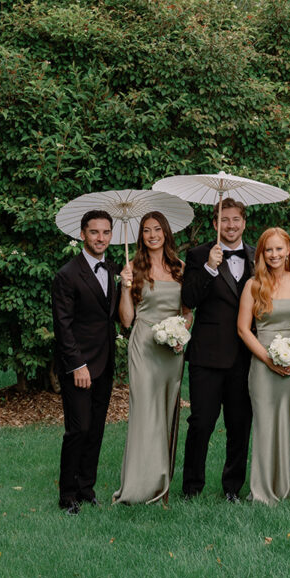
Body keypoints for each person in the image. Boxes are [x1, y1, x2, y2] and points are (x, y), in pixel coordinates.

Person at [113, 213, 190, 505]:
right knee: (145, 413)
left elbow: (186, 312)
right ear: (141, 236)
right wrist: (124, 286)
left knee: (167, 414)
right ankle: (136, 487)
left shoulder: (180, 268)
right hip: (144, 347)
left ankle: (161, 481)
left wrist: (181, 335)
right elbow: (126, 319)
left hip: (172, 351)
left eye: (157, 229)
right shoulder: (133, 269)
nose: (152, 235)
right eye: (146, 231)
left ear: (166, 233)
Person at [180, 199, 255, 500]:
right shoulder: (199, 255)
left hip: (245, 356)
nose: (231, 225)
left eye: (236, 219)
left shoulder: (255, 256)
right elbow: (189, 299)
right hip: (208, 355)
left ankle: (232, 488)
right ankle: (191, 487)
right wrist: (210, 268)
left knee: (240, 425)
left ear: (244, 223)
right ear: (215, 224)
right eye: (224, 220)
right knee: (201, 423)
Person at [237, 228, 290, 504]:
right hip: (262, 364)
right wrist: (269, 359)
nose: (274, 254)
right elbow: (244, 329)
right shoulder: (253, 285)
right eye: (269, 250)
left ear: (289, 250)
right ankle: (265, 490)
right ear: (261, 253)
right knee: (266, 424)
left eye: (279, 249)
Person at [51, 210, 118, 514]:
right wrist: (77, 365)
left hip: (105, 363)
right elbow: (62, 326)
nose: (100, 238)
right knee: (78, 429)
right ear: (82, 235)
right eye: (94, 232)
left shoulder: (114, 270)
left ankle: (86, 488)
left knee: (96, 430)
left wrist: (128, 288)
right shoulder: (67, 275)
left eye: (106, 232)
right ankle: (67, 496)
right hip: (79, 365)